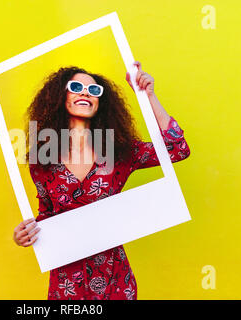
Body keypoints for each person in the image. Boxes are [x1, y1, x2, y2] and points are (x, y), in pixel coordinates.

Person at [12, 61, 191, 300]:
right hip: (67, 282)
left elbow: (176, 149)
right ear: (60, 96)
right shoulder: (42, 160)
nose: (86, 92)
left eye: (94, 90)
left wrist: (149, 96)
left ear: (101, 103)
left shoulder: (119, 153)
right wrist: (25, 234)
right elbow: (47, 216)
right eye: (76, 87)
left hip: (114, 277)